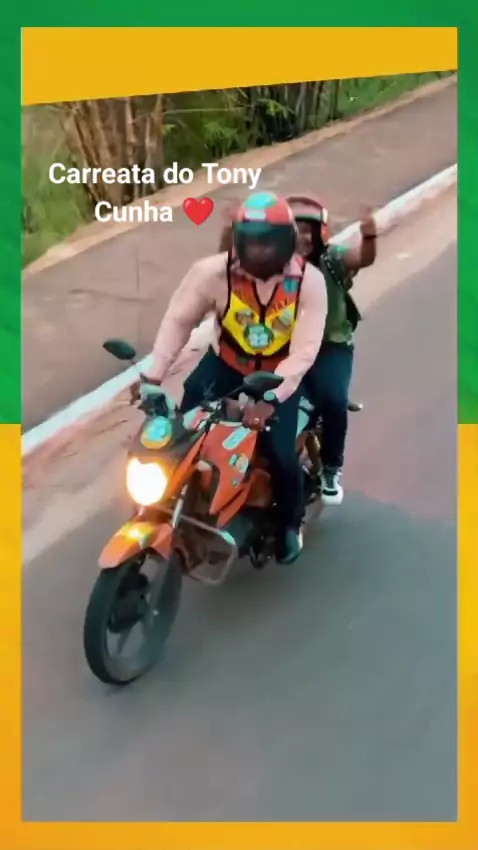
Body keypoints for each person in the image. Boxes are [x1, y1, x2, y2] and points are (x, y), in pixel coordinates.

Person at [140, 191, 328, 564]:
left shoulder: (309, 282)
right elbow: (178, 321)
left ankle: (289, 525)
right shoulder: (211, 273)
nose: (258, 251)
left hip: (279, 374)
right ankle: (176, 500)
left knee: (280, 452)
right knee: (184, 429)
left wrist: (271, 398)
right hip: (227, 363)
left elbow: (305, 350)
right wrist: (153, 376)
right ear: (238, 239)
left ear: (286, 241)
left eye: (267, 242)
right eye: (251, 241)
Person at [286, 194, 377, 505]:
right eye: (294, 230)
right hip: (288, 351)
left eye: (307, 230)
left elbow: (362, 258)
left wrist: (369, 235)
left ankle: (331, 469)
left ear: (320, 233)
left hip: (331, 347)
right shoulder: (271, 265)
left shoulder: (332, 259)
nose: (301, 237)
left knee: (334, 401)